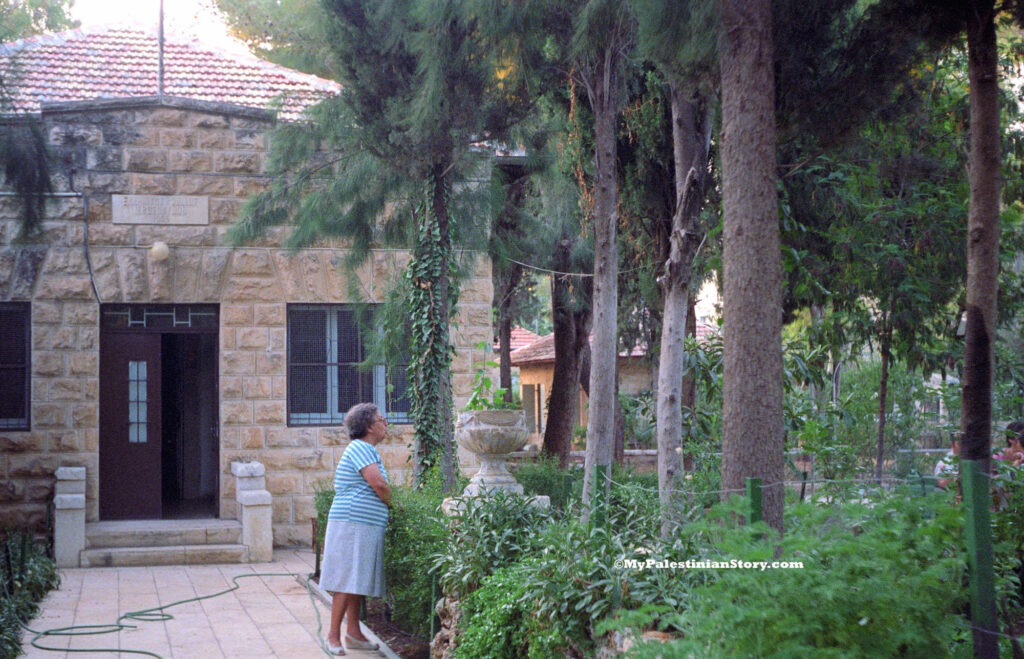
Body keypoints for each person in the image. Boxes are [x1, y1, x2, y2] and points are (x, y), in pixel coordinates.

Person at [320, 402, 391, 655]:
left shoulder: (365, 449)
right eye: (382, 419)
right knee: (346, 578)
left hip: (361, 523)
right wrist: (395, 505)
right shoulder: (361, 447)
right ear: (370, 426)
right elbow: (379, 484)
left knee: (356, 578)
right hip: (352, 522)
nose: (385, 424)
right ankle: (332, 636)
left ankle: (353, 633)